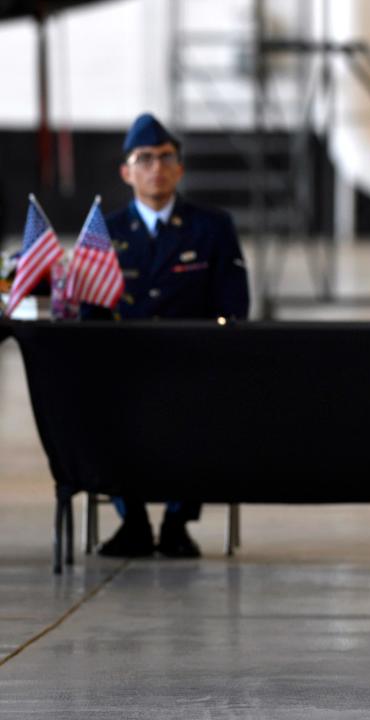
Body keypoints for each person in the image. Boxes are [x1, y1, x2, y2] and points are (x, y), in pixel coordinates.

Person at [89, 112, 250, 559]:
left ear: (180, 168)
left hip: (191, 363)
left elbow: (233, 302)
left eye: (165, 158)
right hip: (126, 366)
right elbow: (90, 308)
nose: (155, 168)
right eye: (144, 159)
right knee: (101, 414)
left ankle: (178, 523)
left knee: (199, 419)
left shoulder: (212, 227)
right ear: (126, 172)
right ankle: (133, 522)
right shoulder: (107, 231)